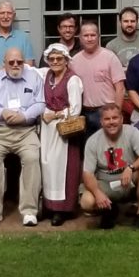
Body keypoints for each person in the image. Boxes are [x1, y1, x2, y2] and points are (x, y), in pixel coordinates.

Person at [0, 49, 45, 227]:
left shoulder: (34, 77)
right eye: (11, 62)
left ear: (24, 62)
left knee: (32, 158)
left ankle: (29, 211)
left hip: (26, 131)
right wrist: (2, 112)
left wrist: (25, 115)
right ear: (4, 63)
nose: (16, 65)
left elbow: (40, 103)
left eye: (19, 62)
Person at [35, 42, 87, 224]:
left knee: (62, 167)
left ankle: (63, 209)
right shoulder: (45, 75)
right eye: (52, 58)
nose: (55, 61)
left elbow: (75, 109)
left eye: (59, 58)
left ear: (66, 60)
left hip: (65, 130)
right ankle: (49, 206)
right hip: (47, 128)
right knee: (47, 165)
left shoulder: (72, 80)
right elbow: (23, 68)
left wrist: (55, 114)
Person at [78, 103, 139, 228]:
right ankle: (109, 211)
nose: (111, 122)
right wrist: (97, 193)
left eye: (115, 118)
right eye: (107, 119)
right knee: (87, 202)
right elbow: (87, 174)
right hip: (106, 184)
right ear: (101, 122)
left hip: (130, 181)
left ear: (122, 119)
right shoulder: (93, 141)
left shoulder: (132, 132)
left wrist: (131, 168)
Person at [69, 20, 122, 135]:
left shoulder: (110, 57)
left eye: (93, 35)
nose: (89, 38)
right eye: (86, 35)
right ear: (80, 38)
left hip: (107, 111)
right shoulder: (74, 61)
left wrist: (116, 113)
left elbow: (120, 88)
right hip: (84, 113)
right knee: (88, 148)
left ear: (98, 36)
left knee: (108, 147)